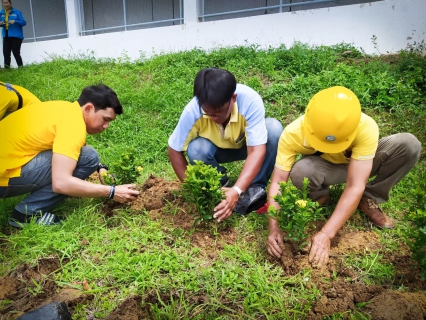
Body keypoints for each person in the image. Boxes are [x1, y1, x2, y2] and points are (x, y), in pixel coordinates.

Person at [267, 86, 421, 267]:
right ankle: (319, 195)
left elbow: (355, 184)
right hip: (328, 168)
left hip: (363, 164)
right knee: (302, 171)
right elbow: (278, 181)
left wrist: (326, 234)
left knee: (409, 144)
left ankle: (369, 198)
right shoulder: (294, 133)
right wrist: (274, 227)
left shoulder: (365, 126)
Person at [0, 84, 140, 227]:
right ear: (88, 109)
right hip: (3, 178)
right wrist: (111, 192)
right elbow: (61, 183)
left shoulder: (65, 109)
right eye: (105, 119)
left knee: (88, 157)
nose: (106, 126)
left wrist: (101, 169)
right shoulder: (73, 126)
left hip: (7, 163)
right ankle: (27, 214)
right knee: (89, 158)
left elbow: (77, 149)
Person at [168, 68, 283, 222]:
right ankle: (220, 187)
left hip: (245, 145)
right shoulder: (193, 110)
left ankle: (254, 188)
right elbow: (174, 149)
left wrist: (237, 190)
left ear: (233, 98)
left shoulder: (250, 100)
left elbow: (256, 151)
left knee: (273, 129)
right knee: (196, 149)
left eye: (218, 112)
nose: (213, 117)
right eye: (208, 113)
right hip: (216, 149)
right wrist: (194, 190)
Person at [0, 0, 26, 68]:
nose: (6, 4)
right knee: (6, 52)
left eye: (7, 3)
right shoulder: (1, 13)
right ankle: (7, 70)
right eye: (4, 3)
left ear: (10, 3)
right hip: (6, 35)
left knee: (15, 51)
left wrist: (15, 21)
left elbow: (23, 22)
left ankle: (21, 68)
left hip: (16, 36)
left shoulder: (17, 12)